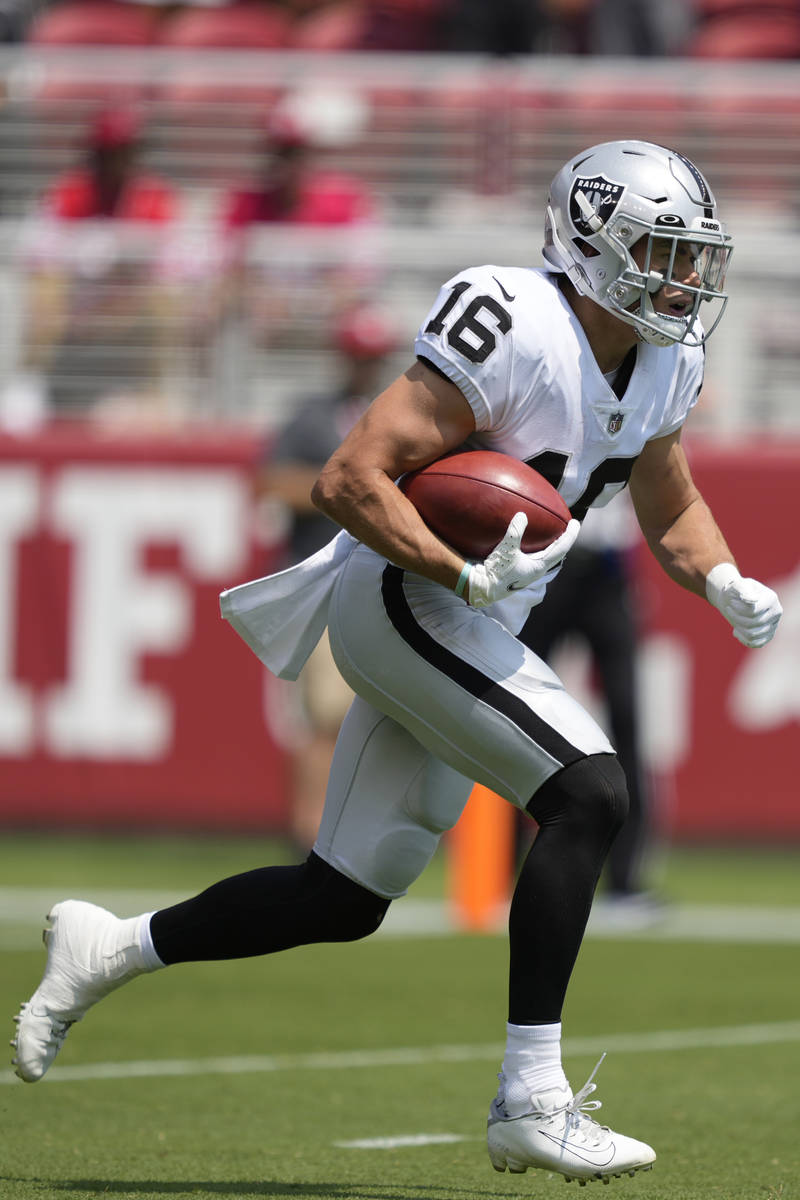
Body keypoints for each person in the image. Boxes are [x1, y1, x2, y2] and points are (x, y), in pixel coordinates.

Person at [12, 141, 782, 1185]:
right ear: (594, 243)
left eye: (690, 255)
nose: (681, 278)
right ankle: (530, 1096)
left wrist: (722, 577)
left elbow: (667, 496)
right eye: (657, 250)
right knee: (589, 792)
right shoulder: (510, 318)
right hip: (403, 593)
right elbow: (347, 477)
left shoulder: (662, 360)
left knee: (343, 896)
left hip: (471, 616)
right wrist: (451, 573)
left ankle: (110, 948)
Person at [259, 304, 399, 850]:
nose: (365, 366)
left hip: (382, 584)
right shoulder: (313, 416)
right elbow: (271, 482)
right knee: (323, 718)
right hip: (321, 582)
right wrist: (347, 490)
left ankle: (359, 835)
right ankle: (309, 832)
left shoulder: (395, 410)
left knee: (376, 720)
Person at [517, 496, 658, 915]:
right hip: (544, 562)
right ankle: (502, 869)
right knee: (514, 713)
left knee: (628, 720)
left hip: (607, 568)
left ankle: (626, 879)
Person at [11, 104, 179, 419]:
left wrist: (118, 299)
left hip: (130, 314)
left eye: (125, 153)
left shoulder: (155, 198)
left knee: (164, 302)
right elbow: (38, 257)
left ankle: (153, 391)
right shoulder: (70, 193)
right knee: (45, 289)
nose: (117, 164)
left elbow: (170, 268)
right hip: (74, 312)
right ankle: (31, 382)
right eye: (109, 153)